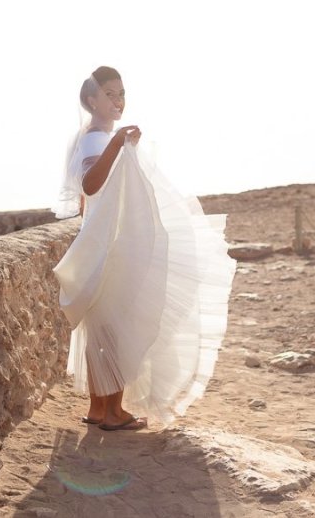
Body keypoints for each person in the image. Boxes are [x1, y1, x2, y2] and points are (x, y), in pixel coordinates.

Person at [53, 66, 235, 431]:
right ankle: (113, 413)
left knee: (103, 331)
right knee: (118, 329)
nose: (118, 100)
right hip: (111, 250)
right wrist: (119, 143)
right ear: (92, 100)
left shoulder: (97, 136)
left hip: (104, 244)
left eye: (121, 93)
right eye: (109, 94)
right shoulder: (96, 138)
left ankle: (99, 409)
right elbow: (90, 184)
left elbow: (92, 201)